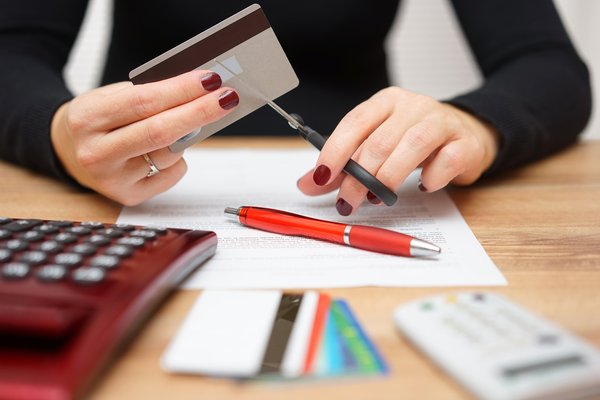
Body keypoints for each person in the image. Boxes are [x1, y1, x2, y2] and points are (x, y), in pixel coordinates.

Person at [0, 1, 591, 216]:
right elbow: (12, 52)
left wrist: (474, 125)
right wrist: (56, 135)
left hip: (368, 188)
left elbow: (548, 65)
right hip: (121, 189)